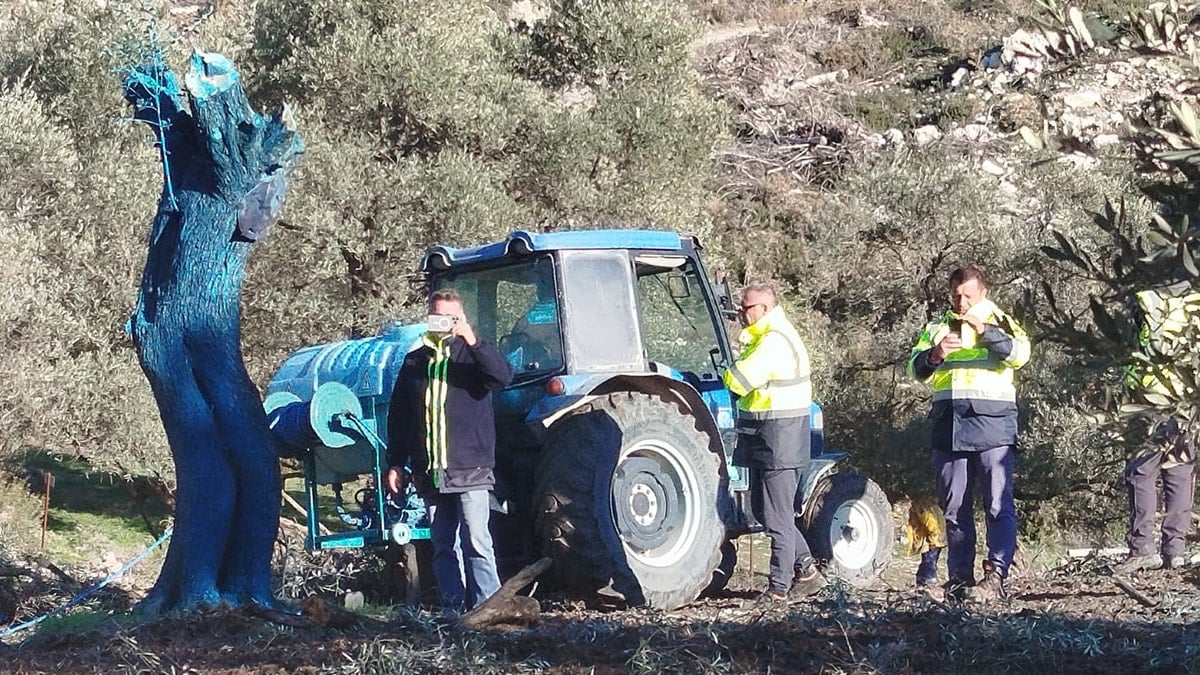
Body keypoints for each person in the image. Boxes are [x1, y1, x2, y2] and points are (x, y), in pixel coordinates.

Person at [385, 288, 514, 612]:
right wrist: (396, 463)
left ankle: (490, 609)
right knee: (442, 545)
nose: (443, 323)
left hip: (470, 466)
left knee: (477, 542)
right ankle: (453, 611)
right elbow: (399, 415)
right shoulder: (415, 362)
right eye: (437, 316)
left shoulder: (474, 356)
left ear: (461, 319)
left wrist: (472, 340)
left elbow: (502, 378)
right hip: (429, 470)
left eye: (450, 317)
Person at [907, 266, 1031, 602]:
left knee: (996, 504)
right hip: (949, 426)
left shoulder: (1001, 321)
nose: (962, 302)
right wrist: (935, 355)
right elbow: (915, 369)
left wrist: (986, 331)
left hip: (993, 425)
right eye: (957, 295)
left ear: (983, 294)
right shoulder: (936, 327)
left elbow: (1021, 355)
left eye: (968, 296)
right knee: (954, 508)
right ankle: (960, 580)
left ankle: (996, 576)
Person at [722, 283, 822, 603]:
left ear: (764, 309)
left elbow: (736, 381)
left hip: (780, 439)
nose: (740, 313)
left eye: (745, 308)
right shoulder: (766, 338)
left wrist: (730, 367)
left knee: (777, 516)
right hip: (767, 437)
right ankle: (805, 570)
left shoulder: (772, 342)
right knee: (765, 511)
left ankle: (779, 588)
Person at [1113, 287, 1199, 574]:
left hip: (1147, 400)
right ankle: (1175, 551)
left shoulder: (1143, 298)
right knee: (1178, 475)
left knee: (1141, 474)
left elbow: (1130, 349)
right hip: (1184, 402)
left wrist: (1125, 391)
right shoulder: (1193, 301)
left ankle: (1142, 550)